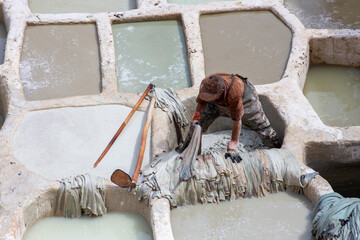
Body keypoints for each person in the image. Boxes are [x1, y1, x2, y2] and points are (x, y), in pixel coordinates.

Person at [188, 73, 280, 161]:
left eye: (209, 97)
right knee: (198, 125)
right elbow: (202, 102)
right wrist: (196, 118)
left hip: (246, 101)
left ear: (221, 91)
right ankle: (189, 147)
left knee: (262, 127)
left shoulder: (234, 93)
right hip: (217, 103)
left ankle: (275, 148)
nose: (207, 98)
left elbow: (237, 122)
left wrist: (232, 147)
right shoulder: (206, 84)